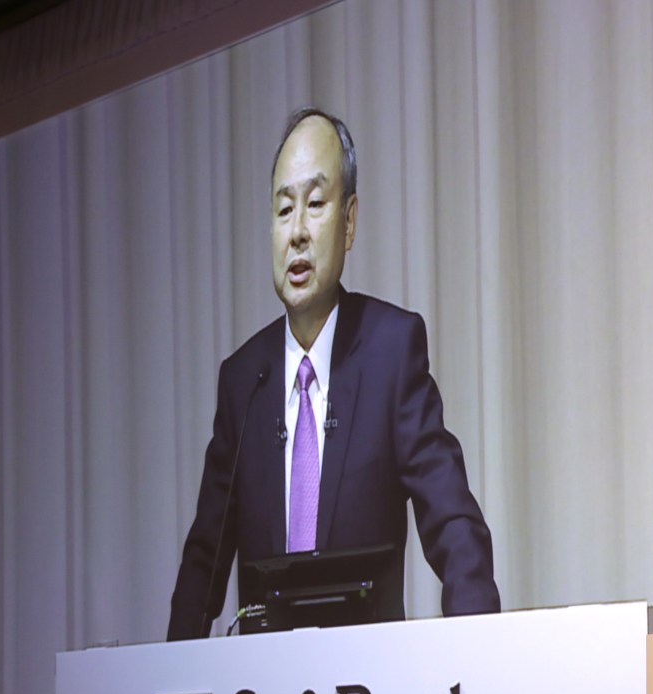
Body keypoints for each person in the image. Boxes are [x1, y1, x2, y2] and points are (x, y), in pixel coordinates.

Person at [167, 108, 499, 640]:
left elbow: (452, 522)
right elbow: (204, 558)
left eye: (315, 205)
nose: (296, 232)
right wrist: (168, 684)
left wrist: (481, 648)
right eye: (282, 210)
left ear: (348, 222)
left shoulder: (390, 351)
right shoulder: (243, 382)